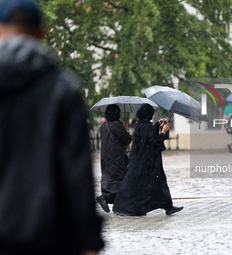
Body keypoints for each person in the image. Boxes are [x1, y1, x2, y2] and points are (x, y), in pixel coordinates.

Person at [0, 0, 104, 254]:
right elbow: (76, 171)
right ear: (42, 33)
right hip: (48, 232)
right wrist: (88, 242)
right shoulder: (63, 88)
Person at [113, 103, 183, 216]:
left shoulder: (140, 125)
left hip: (143, 163)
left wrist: (157, 125)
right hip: (149, 164)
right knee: (158, 183)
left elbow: (149, 136)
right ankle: (167, 206)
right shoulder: (145, 127)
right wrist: (164, 131)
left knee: (157, 183)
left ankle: (168, 206)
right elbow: (155, 141)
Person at [96, 104, 132, 213]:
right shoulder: (117, 125)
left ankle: (112, 200)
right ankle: (106, 198)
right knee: (120, 179)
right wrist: (125, 131)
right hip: (117, 157)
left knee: (109, 178)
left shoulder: (103, 126)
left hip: (106, 157)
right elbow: (127, 140)